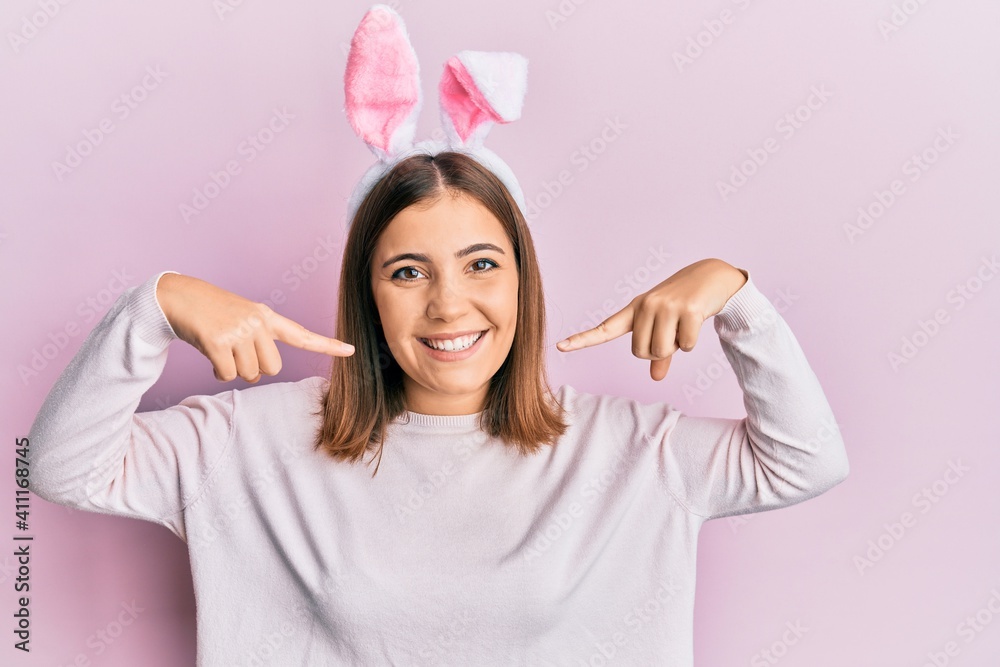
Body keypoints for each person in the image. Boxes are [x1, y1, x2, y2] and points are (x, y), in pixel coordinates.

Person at [26, 6, 850, 666]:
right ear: (368, 293)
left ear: (524, 279)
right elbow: (60, 465)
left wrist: (734, 294)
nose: (449, 306)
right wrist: (156, 306)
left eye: (483, 264)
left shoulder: (632, 452)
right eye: (408, 272)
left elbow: (806, 459)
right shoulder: (248, 442)